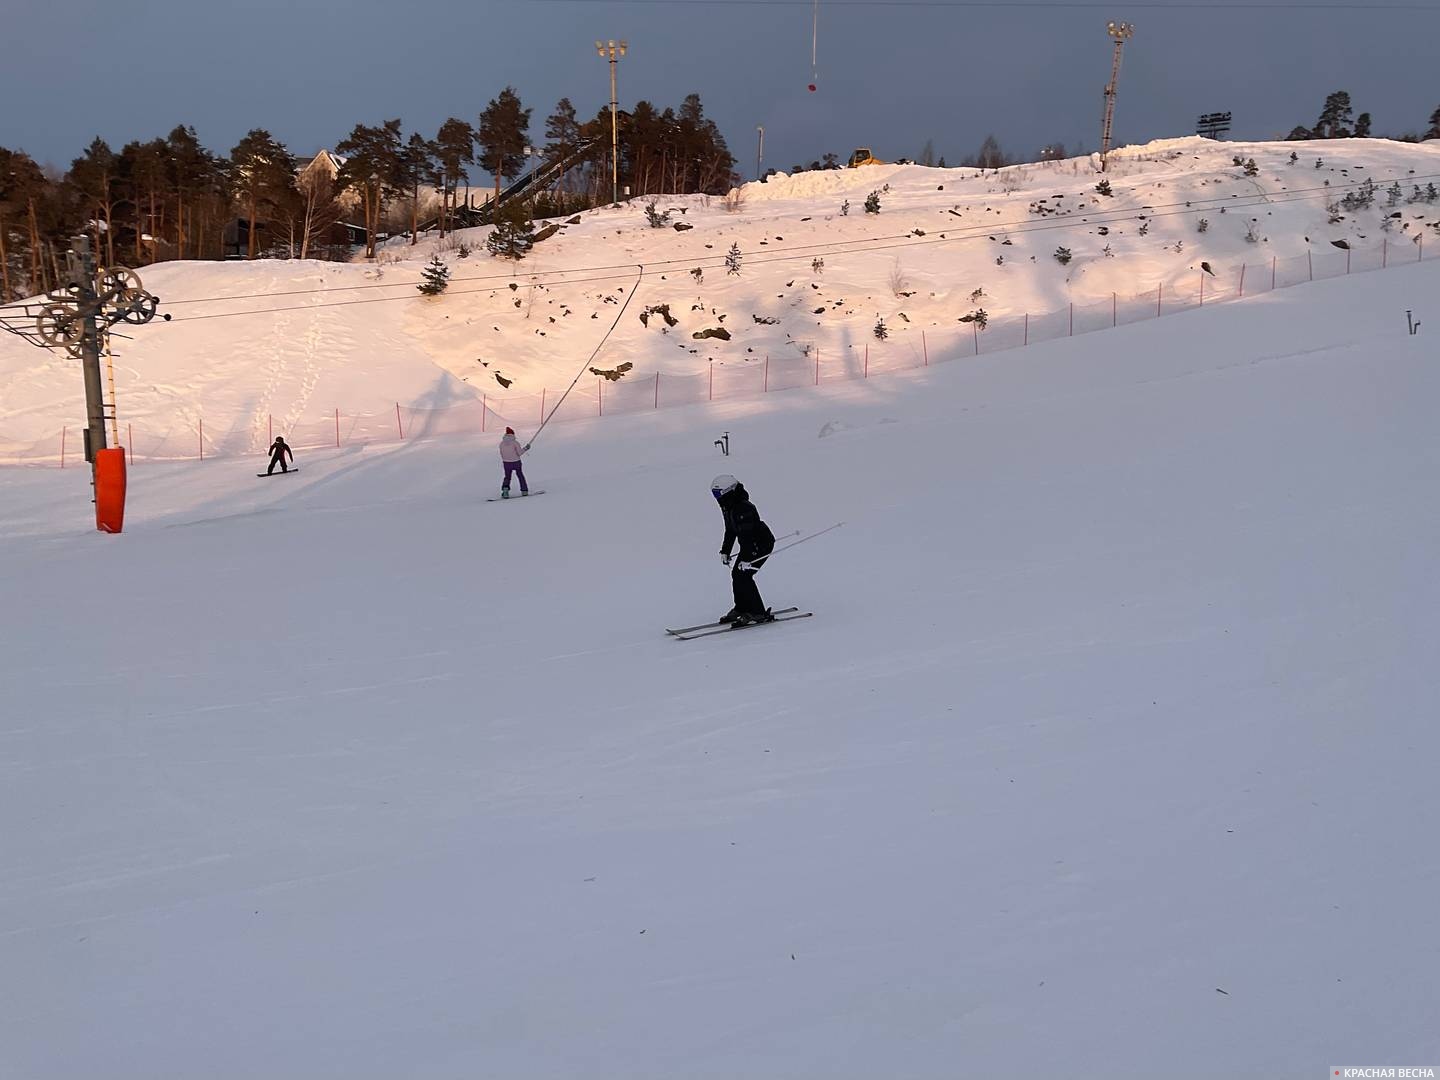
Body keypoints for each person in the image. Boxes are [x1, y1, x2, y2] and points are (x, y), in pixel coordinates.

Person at [712, 474, 776, 626]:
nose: (716, 498)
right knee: (737, 574)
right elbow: (730, 530)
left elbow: (748, 536)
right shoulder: (729, 507)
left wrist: (749, 558)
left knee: (744, 576)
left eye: (718, 494)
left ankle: (757, 612)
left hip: (760, 545)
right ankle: (741, 608)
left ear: (729, 491)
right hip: (749, 545)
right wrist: (725, 551)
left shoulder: (743, 508)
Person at [499, 427, 531, 497]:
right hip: (516, 462)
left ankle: (505, 491)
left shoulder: (501, 444)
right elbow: (519, 453)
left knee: (507, 477)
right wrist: (526, 448)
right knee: (520, 475)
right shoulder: (515, 443)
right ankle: (524, 490)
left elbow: (501, 453)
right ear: (512, 434)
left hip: (506, 463)